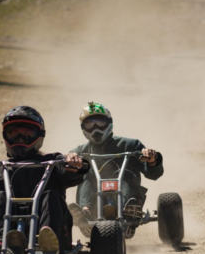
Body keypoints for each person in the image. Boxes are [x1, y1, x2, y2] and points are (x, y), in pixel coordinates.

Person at [0, 106, 88, 254]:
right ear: (5, 136)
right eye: (13, 133)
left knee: (50, 195)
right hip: (7, 225)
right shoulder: (0, 167)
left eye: (26, 133)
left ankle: (49, 244)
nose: (20, 138)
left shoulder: (52, 162)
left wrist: (74, 164)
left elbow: (75, 174)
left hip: (50, 223)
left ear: (39, 136)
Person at [69, 101, 163, 235]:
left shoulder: (130, 145)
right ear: (84, 128)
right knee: (86, 176)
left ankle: (129, 211)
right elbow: (64, 177)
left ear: (109, 123)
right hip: (94, 202)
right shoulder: (79, 152)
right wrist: (69, 162)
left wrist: (153, 160)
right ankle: (85, 213)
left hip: (126, 194)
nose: (96, 129)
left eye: (100, 123)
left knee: (123, 173)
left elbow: (154, 174)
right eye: (90, 124)